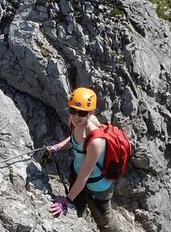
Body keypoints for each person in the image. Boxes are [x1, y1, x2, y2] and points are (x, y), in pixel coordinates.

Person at [48, 87, 121, 232]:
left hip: (97, 188)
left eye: (82, 113)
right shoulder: (78, 123)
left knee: (105, 222)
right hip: (78, 180)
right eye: (72, 110)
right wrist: (58, 146)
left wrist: (66, 201)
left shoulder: (96, 142)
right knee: (77, 208)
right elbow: (74, 140)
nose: (76, 116)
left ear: (91, 113)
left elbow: (84, 177)